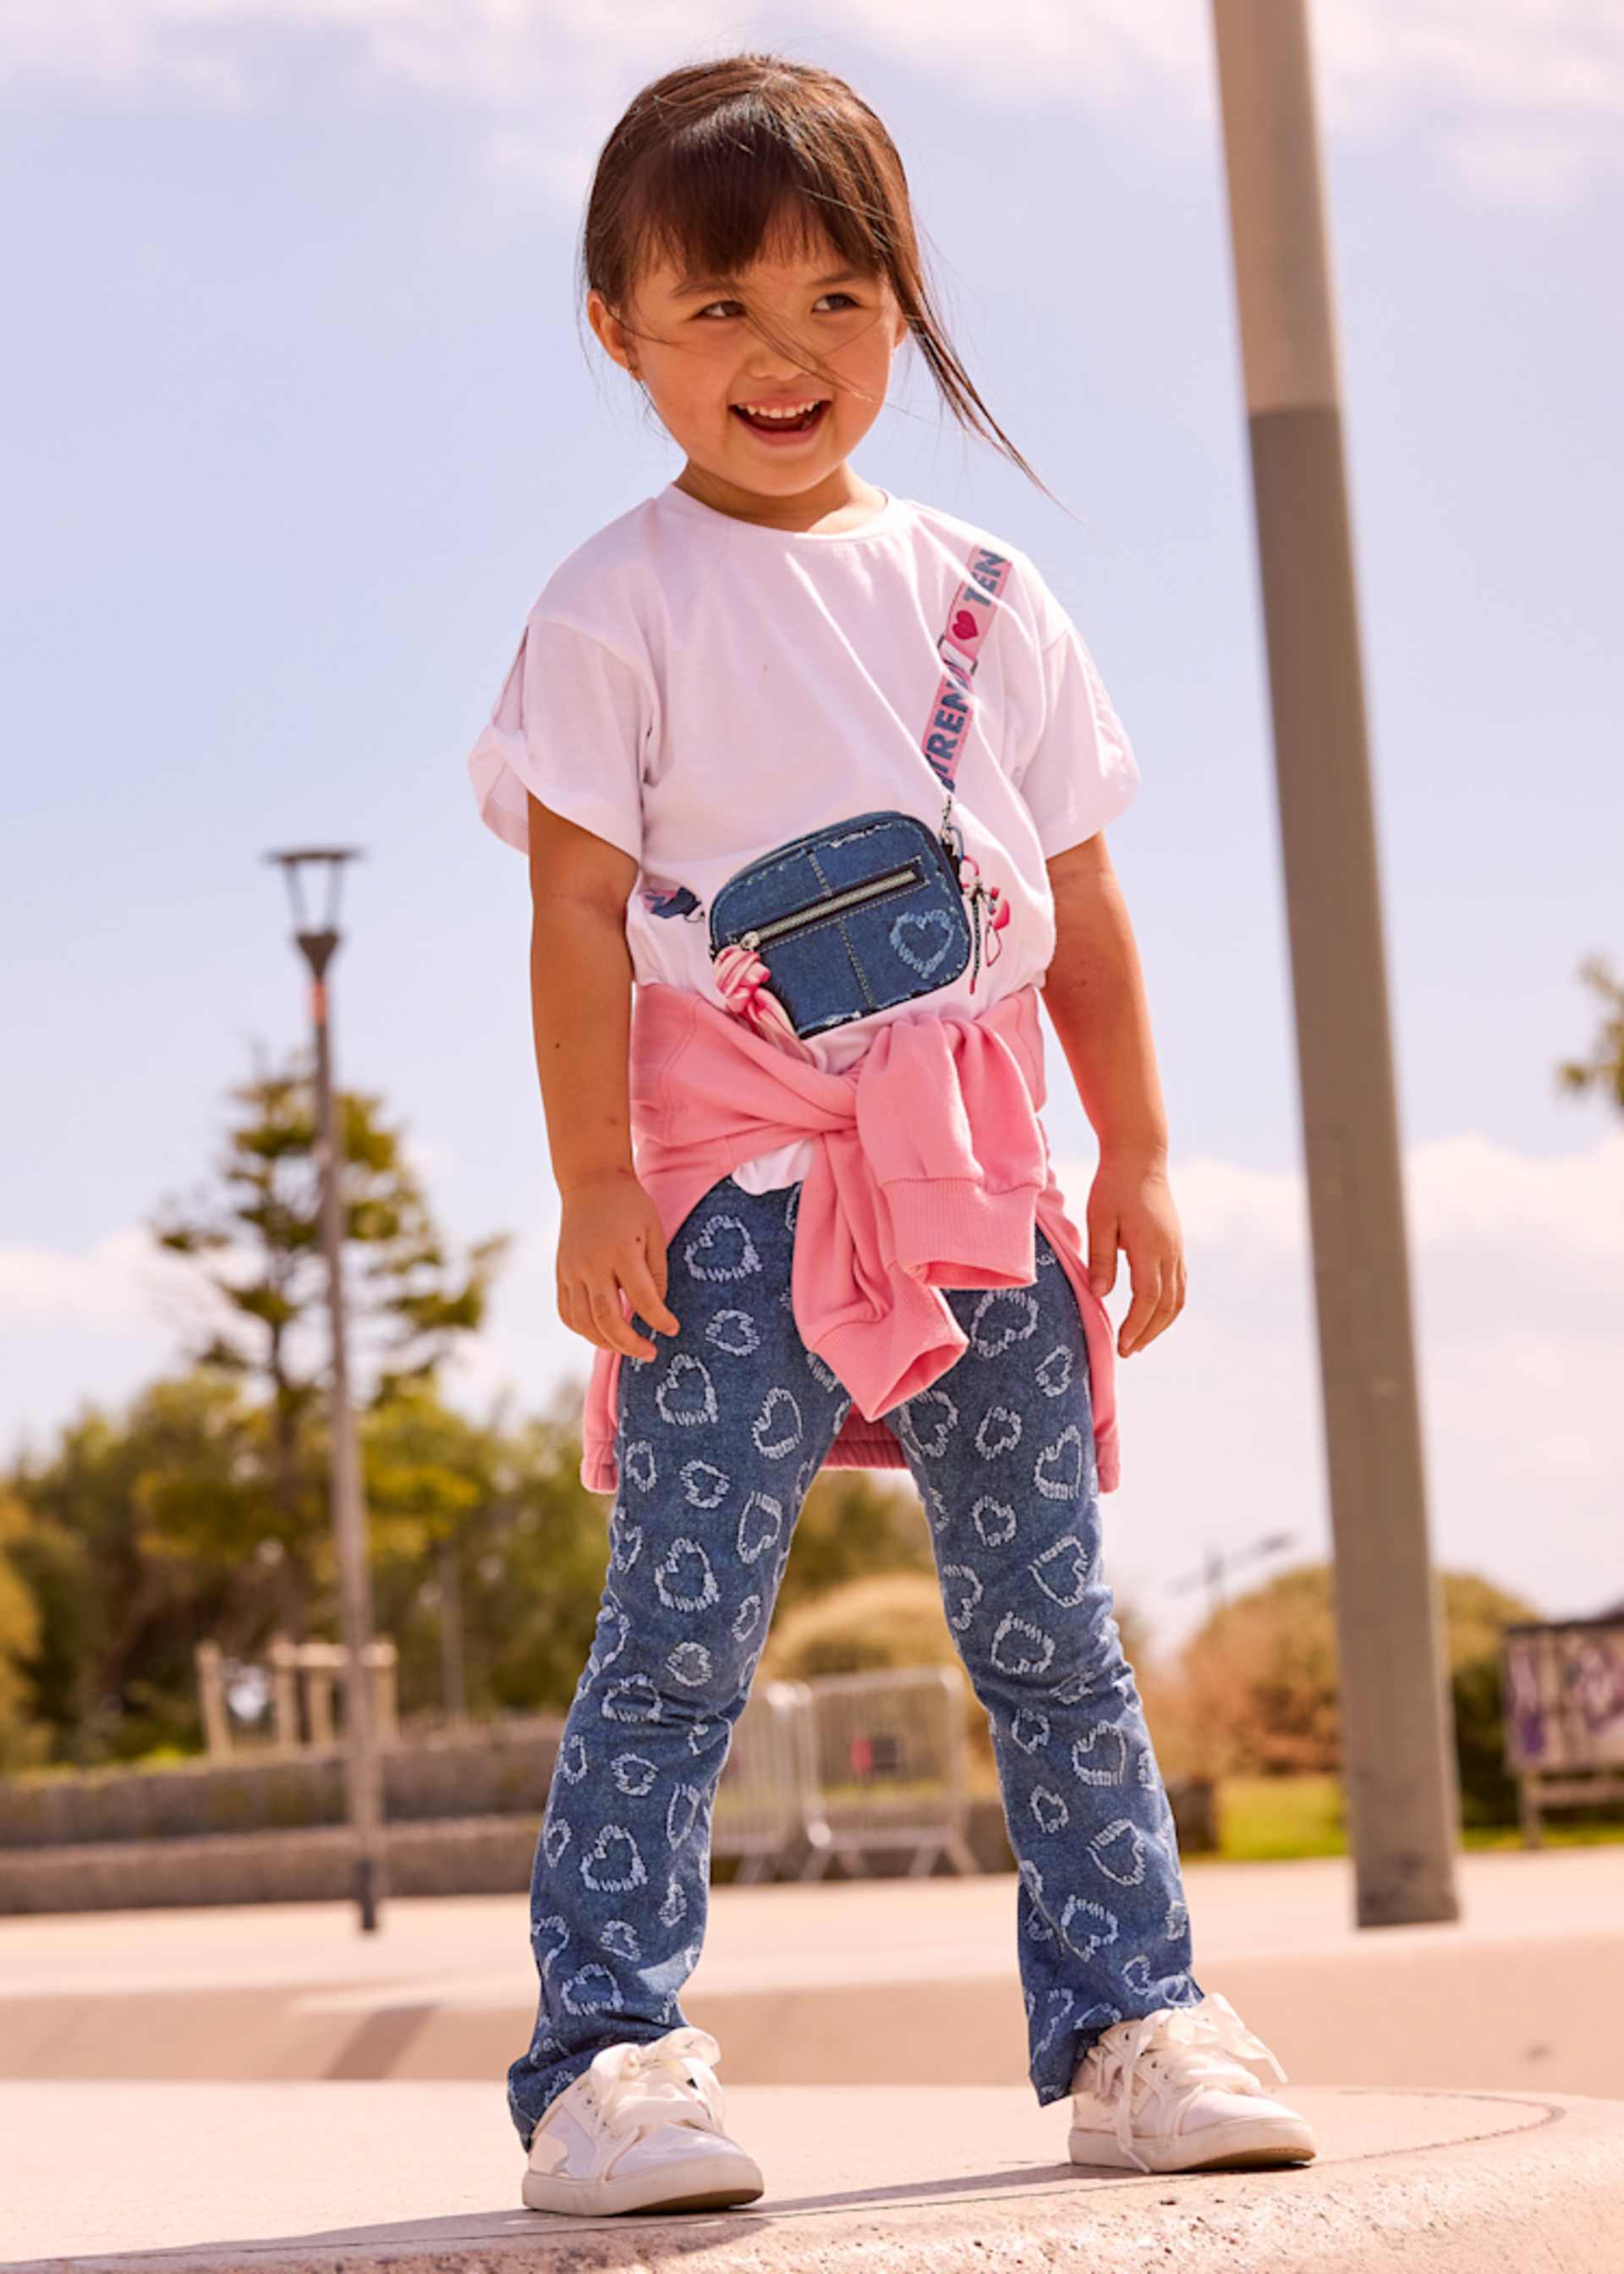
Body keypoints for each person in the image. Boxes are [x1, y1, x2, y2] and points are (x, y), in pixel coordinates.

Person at [464, 49, 1317, 2222]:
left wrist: (1129, 1157)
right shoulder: (612, 602)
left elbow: (1087, 907)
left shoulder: (988, 598)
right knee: (679, 1633)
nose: (785, 353)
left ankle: (1137, 2020)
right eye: (723, 305)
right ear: (619, 329)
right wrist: (590, 1182)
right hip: (724, 1204)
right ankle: (610, 2058)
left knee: (1050, 1626)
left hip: (978, 1193)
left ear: (906, 310)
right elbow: (573, 912)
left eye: (842, 301)